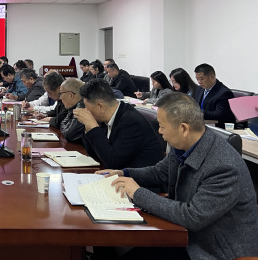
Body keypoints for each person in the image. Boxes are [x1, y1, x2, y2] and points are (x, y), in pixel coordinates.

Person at [107, 93, 258, 260]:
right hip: (187, 235)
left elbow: (193, 216)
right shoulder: (185, 145)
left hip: (215, 250)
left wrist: (137, 193)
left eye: (162, 126)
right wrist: (124, 173)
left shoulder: (224, 167)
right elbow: (160, 172)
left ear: (183, 128)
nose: (159, 131)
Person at [73, 79, 164, 169]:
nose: (86, 111)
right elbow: (94, 153)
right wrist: (88, 127)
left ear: (100, 106)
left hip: (138, 176)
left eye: (87, 108)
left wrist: (93, 128)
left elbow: (112, 162)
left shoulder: (131, 122)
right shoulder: (104, 118)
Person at [194, 63, 235, 128]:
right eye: (197, 79)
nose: (199, 82)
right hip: (201, 123)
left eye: (201, 79)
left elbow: (218, 115)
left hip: (217, 127)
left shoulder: (224, 93)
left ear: (212, 77)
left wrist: (197, 112)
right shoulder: (200, 89)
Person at [51, 78, 85, 143]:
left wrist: (65, 129)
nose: (60, 98)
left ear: (70, 95)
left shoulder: (82, 108)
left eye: (61, 94)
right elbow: (62, 124)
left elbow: (69, 134)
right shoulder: (72, 107)